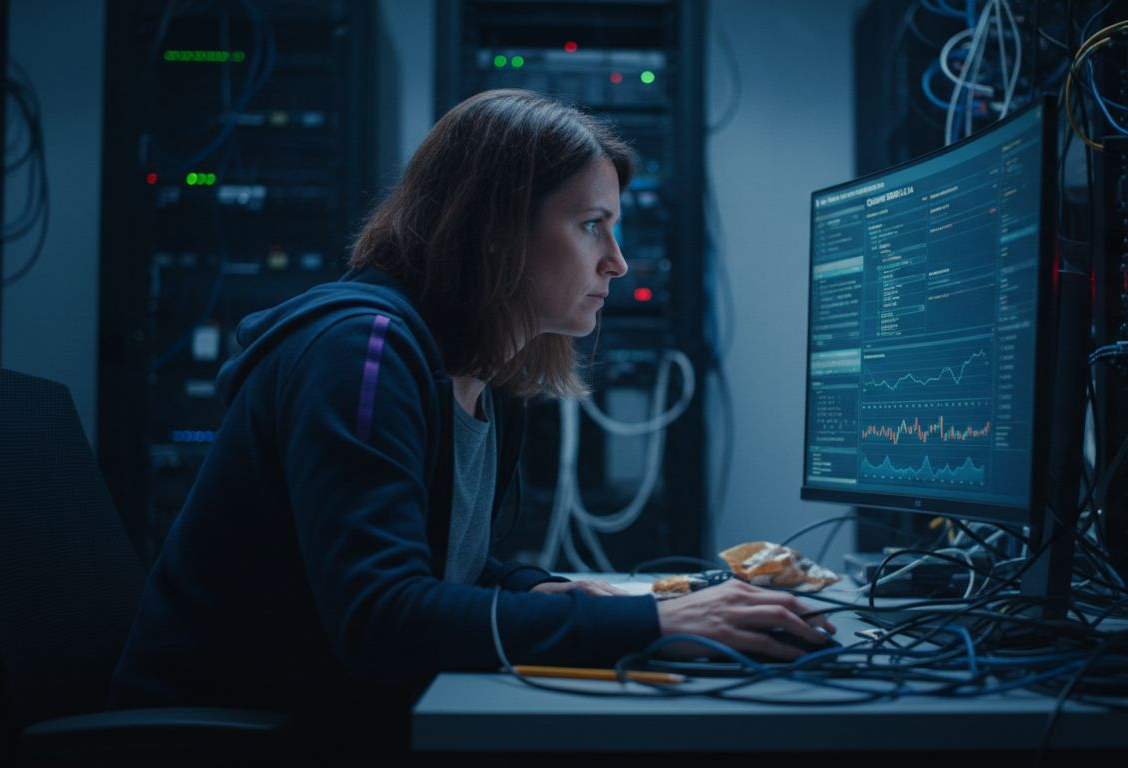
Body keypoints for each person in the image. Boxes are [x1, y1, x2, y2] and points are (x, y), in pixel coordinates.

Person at [108, 89, 834, 751]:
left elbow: (436, 560)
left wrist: (528, 588)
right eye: (591, 226)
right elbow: (381, 618)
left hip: (333, 712)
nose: (616, 261)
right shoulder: (361, 352)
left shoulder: (474, 371)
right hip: (238, 738)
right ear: (492, 229)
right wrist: (652, 624)